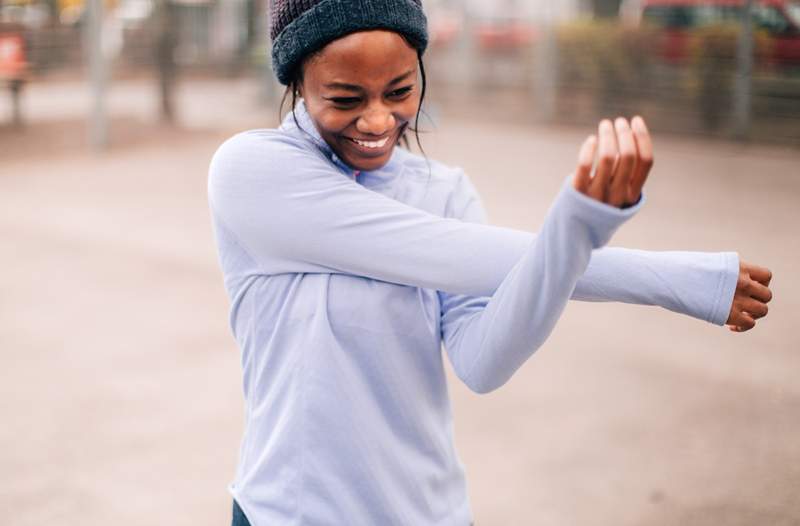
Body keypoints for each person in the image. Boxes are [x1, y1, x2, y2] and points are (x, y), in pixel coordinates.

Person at [207, 1, 773, 524]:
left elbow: (484, 361)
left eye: (400, 91)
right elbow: (455, 253)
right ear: (298, 85)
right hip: (287, 513)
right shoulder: (252, 174)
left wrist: (575, 232)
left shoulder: (444, 192)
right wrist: (673, 279)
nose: (379, 121)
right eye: (346, 99)